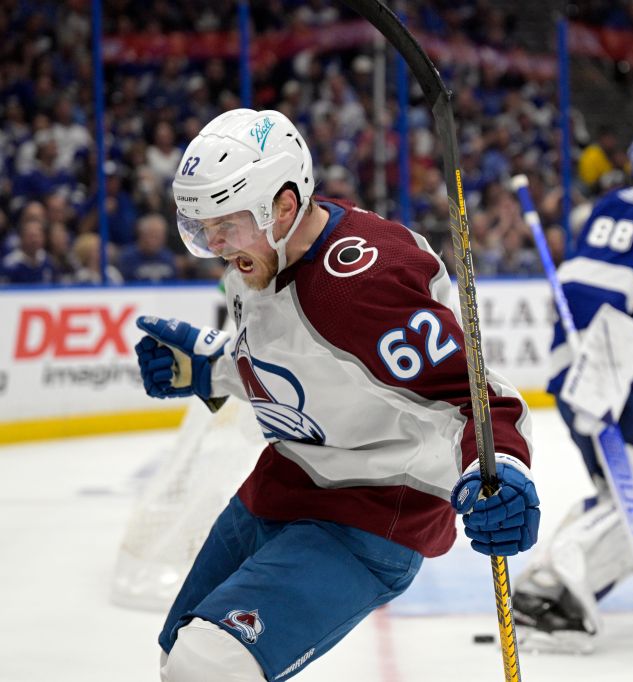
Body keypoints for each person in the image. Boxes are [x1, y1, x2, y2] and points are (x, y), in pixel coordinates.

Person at [133, 109, 539, 681]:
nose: (216, 244)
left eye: (227, 223)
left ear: (284, 204)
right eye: (202, 227)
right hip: (284, 482)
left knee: (209, 665)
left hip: (371, 513)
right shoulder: (257, 259)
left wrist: (504, 473)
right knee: (180, 654)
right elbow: (299, 366)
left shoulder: (364, 285)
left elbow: (476, 401)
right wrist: (212, 371)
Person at [511, 118, 633, 652]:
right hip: (629, 383)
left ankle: (550, 593)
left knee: (630, 500)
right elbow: (590, 288)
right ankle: (551, 592)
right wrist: (592, 379)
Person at [120, 213, 179, 282]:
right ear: (141, 234)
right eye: (152, 235)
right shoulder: (128, 257)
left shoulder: (168, 257)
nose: (155, 240)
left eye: (159, 236)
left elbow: (174, 285)